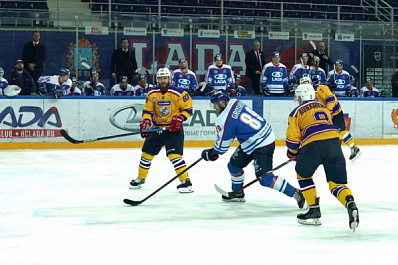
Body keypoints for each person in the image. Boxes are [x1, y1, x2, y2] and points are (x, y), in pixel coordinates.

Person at [200, 90, 306, 208]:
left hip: (262, 144)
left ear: (222, 103)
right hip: (254, 139)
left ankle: (296, 193)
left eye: (214, 104)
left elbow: (221, 148)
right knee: (233, 166)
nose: (214, 107)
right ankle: (237, 193)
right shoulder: (235, 102)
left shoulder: (224, 120)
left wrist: (211, 154)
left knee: (265, 179)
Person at [285, 83, 359, 231]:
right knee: (336, 183)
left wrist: (292, 154)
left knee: (303, 175)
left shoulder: (295, 112)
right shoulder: (323, 107)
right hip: (333, 143)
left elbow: (293, 139)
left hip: (313, 145)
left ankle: (314, 210)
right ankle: (350, 202)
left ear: (300, 97)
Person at [129, 68, 194, 193]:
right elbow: (148, 111)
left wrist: (180, 117)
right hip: (157, 128)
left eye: (165, 78)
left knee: (175, 156)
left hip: (173, 130)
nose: (163, 81)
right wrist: (147, 121)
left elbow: (188, 109)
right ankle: (140, 178)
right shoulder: (152, 93)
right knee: (146, 154)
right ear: (157, 79)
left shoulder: (179, 93)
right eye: (160, 78)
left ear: (169, 78)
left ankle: (186, 182)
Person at [300, 76, 361, 161]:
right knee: (328, 134)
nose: (305, 85)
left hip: (335, 112)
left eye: (306, 83)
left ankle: (354, 148)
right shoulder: (306, 94)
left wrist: (329, 112)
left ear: (310, 83)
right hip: (325, 114)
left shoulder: (320, 88)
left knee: (340, 131)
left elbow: (331, 99)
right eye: (303, 84)